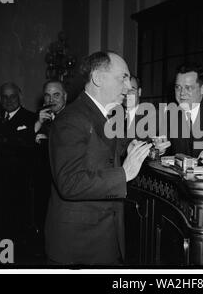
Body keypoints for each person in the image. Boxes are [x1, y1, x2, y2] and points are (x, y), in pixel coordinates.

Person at [44, 51, 152, 265]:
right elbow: (69, 183)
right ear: (98, 78)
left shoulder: (102, 114)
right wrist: (124, 174)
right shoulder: (72, 119)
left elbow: (114, 148)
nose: (128, 86)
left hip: (102, 239)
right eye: (122, 77)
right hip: (78, 247)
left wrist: (143, 146)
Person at [0, 82, 36, 263]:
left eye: (13, 96)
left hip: (21, 191)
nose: (8, 100)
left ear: (20, 97)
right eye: (4, 97)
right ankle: (2, 264)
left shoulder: (32, 119)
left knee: (19, 234)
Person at [32, 81, 68, 255]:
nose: (51, 99)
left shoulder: (72, 119)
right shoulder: (39, 119)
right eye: (47, 95)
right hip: (42, 185)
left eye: (56, 95)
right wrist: (38, 125)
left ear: (65, 97)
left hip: (63, 187)